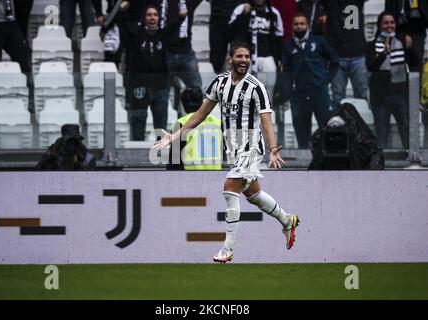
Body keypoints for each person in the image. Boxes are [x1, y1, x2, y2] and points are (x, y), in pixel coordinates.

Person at [154, 42, 299, 263]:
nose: (244, 60)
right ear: (230, 59)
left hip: (251, 148)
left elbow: (267, 122)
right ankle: (287, 220)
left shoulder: (257, 87)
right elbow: (199, 115)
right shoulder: (220, 83)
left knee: (230, 189)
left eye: (247, 56)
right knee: (254, 195)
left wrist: (273, 150)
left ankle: (227, 249)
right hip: (233, 148)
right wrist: (175, 136)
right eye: (239, 56)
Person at [126, 4, 187, 141]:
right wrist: (123, 11)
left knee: (160, 125)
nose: (152, 17)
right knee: (138, 122)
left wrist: (181, 17)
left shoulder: (163, 35)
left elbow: (174, 26)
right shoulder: (137, 34)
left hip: (160, 87)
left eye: (155, 14)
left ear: (159, 18)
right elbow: (123, 24)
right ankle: (137, 158)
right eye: (149, 15)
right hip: (140, 86)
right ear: (144, 18)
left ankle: (161, 157)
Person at [282, 13, 339, 148]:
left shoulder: (319, 41)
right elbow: (286, 72)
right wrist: (290, 93)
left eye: (302, 24)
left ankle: (329, 160)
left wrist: (327, 81)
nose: (299, 26)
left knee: (326, 126)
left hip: (319, 91)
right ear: (292, 27)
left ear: (307, 26)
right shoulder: (288, 45)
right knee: (302, 131)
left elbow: (335, 61)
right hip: (299, 94)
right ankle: (304, 162)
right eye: (296, 24)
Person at [366, 11, 409, 149]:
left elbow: (413, 62)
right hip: (380, 96)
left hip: (400, 93)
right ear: (380, 25)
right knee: (382, 132)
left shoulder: (403, 41)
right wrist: (384, 53)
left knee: (406, 129)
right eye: (385, 23)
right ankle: (381, 165)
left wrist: (410, 48)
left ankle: (411, 161)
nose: (389, 25)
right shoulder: (372, 44)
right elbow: (371, 66)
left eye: (392, 22)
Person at [321, 0, 369, 109]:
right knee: (337, 97)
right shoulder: (330, 3)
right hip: (337, 56)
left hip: (358, 54)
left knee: (362, 95)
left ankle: (360, 125)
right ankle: (338, 125)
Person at [167, 86, 223, 170]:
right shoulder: (217, 123)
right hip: (216, 174)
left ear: (183, 105)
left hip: (190, 176)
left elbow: (174, 162)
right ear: (202, 103)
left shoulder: (181, 124)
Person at [385, 0, 428, 72]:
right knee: (397, 67)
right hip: (398, 31)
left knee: (416, 67)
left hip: (417, 30)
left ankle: (415, 82)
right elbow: (388, 12)